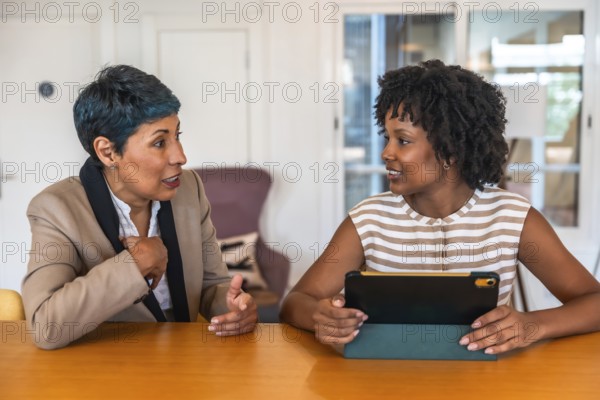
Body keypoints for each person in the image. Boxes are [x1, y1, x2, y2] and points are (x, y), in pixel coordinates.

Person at [280, 59, 600, 355]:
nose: (386, 153)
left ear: (450, 151)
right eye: (387, 138)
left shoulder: (513, 218)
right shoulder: (368, 220)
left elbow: (594, 302)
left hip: (484, 380)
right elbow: (295, 302)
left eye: (402, 140)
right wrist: (320, 316)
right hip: (383, 374)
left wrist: (533, 325)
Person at [22, 65, 257, 349]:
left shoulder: (189, 189)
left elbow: (211, 285)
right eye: (160, 142)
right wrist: (135, 265)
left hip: (185, 361)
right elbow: (46, 327)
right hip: (108, 369)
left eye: (177, 136)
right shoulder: (55, 209)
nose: (181, 156)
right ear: (108, 152)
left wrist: (231, 306)